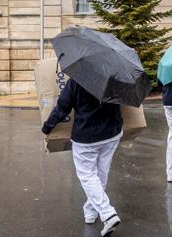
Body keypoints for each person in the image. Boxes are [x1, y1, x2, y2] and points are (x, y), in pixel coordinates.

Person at [42, 78, 122, 236]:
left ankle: (108, 214)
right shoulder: (113, 76)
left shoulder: (77, 79)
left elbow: (62, 108)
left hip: (87, 136)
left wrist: (47, 127)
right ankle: (91, 213)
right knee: (100, 174)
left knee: (87, 175)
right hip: (112, 132)